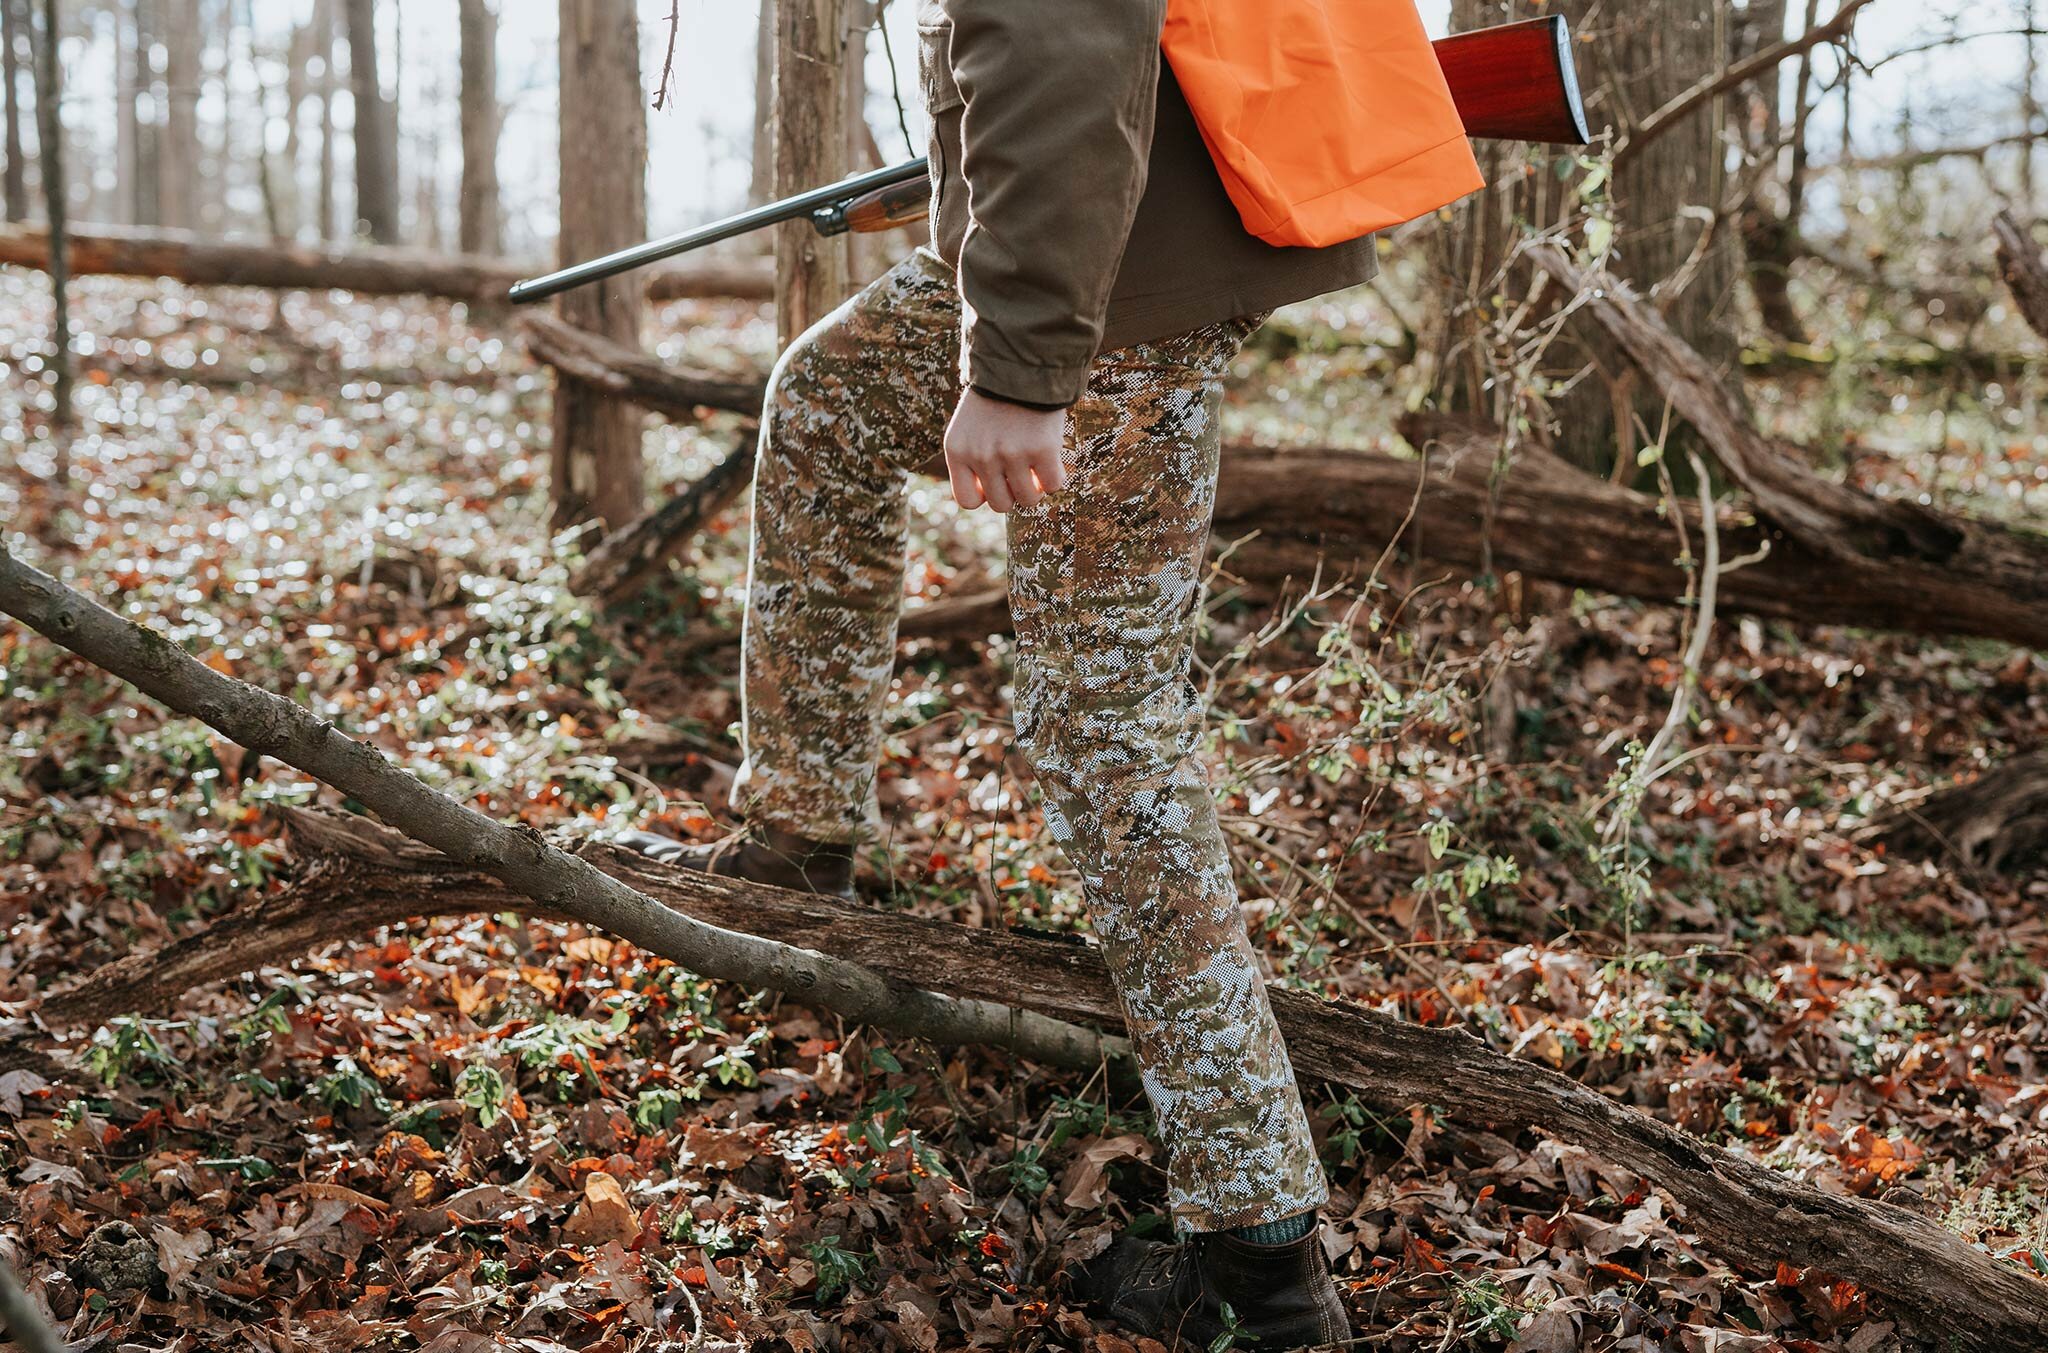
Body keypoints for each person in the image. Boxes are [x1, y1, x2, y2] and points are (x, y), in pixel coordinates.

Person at [623, 1, 1476, 1345]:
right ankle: (801, 828)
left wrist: (1021, 353)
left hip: (1112, 305)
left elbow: (1064, 37)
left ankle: (1264, 1266)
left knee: (1108, 730)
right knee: (828, 401)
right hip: (1119, 261)